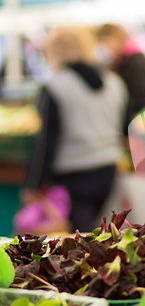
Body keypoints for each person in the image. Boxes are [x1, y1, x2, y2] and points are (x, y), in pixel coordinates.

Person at [23, 27, 129, 233]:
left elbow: (47, 140)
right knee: (102, 237)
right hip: (108, 172)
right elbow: (125, 129)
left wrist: (34, 184)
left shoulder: (54, 85)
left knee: (76, 244)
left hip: (72, 178)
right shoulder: (115, 82)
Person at [96, 24, 145, 117]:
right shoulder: (119, 61)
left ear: (115, 39)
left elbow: (140, 98)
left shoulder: (135, 62)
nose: (105, 47)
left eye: (105, 42)